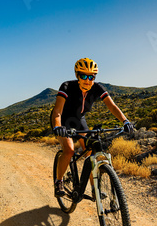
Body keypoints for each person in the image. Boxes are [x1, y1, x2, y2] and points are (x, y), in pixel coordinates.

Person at [51, 57, 134, 197]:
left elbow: (112, 106)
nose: (88, 80)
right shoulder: (67, 86)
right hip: (63, 120)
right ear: (77, 75)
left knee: (90, 153)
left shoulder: (97, 88)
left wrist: (125, 121)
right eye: (84, 76)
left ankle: (95, 189)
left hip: (79, 120)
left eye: (91, 76)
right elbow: (57, 111)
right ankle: (59, 181)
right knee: (69, 150)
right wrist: (58, 127)